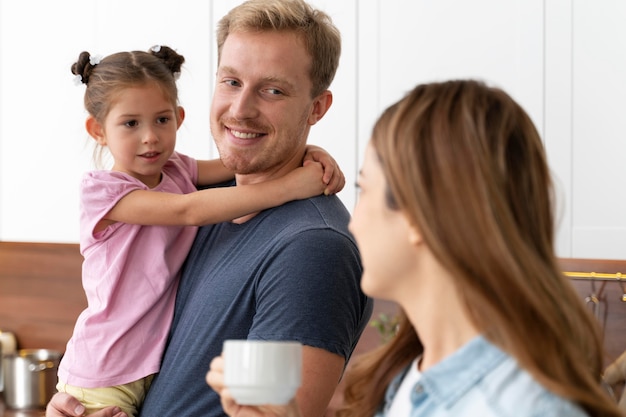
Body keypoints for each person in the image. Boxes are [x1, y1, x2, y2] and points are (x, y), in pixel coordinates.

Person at [207, 79, 624, 417]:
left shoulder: (523, 407)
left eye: (365, 189)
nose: (355, 219)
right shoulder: (412, 377)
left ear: (420, 216)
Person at [47, 1, 373, 416]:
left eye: (273, 90)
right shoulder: (199, 198)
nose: (240, 110)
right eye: (231, 82)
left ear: (317, 108)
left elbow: (269, 413)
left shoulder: (310, 250)